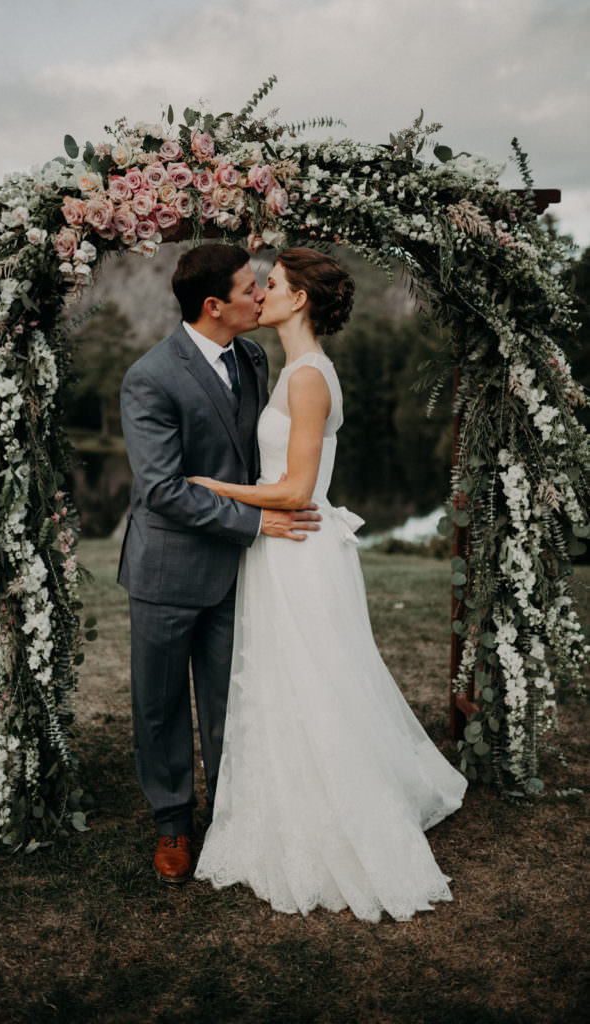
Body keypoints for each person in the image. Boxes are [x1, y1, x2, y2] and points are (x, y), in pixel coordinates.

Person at [191, 247, 467, 922]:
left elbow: (294, 489)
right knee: (286, 682)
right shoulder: (290, 369)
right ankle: (281, 807)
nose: (261, 294)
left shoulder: (309, 377)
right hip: (283, 548)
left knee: (312, 683)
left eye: (274, 285)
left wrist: (209, 487)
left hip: (299, 550)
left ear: (300, 300)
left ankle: (336, 820)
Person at [118, 244, 320, 885]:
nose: (261, 295)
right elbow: (163, 490)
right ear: (215, 306)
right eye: (248, 288)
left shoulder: (256, 357)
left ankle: (236, 814)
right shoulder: (151, 377)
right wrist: (258, 520)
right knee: (161, 704)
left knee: (234, 698)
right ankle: (173, 823)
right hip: (168, 570)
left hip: (241, 571)